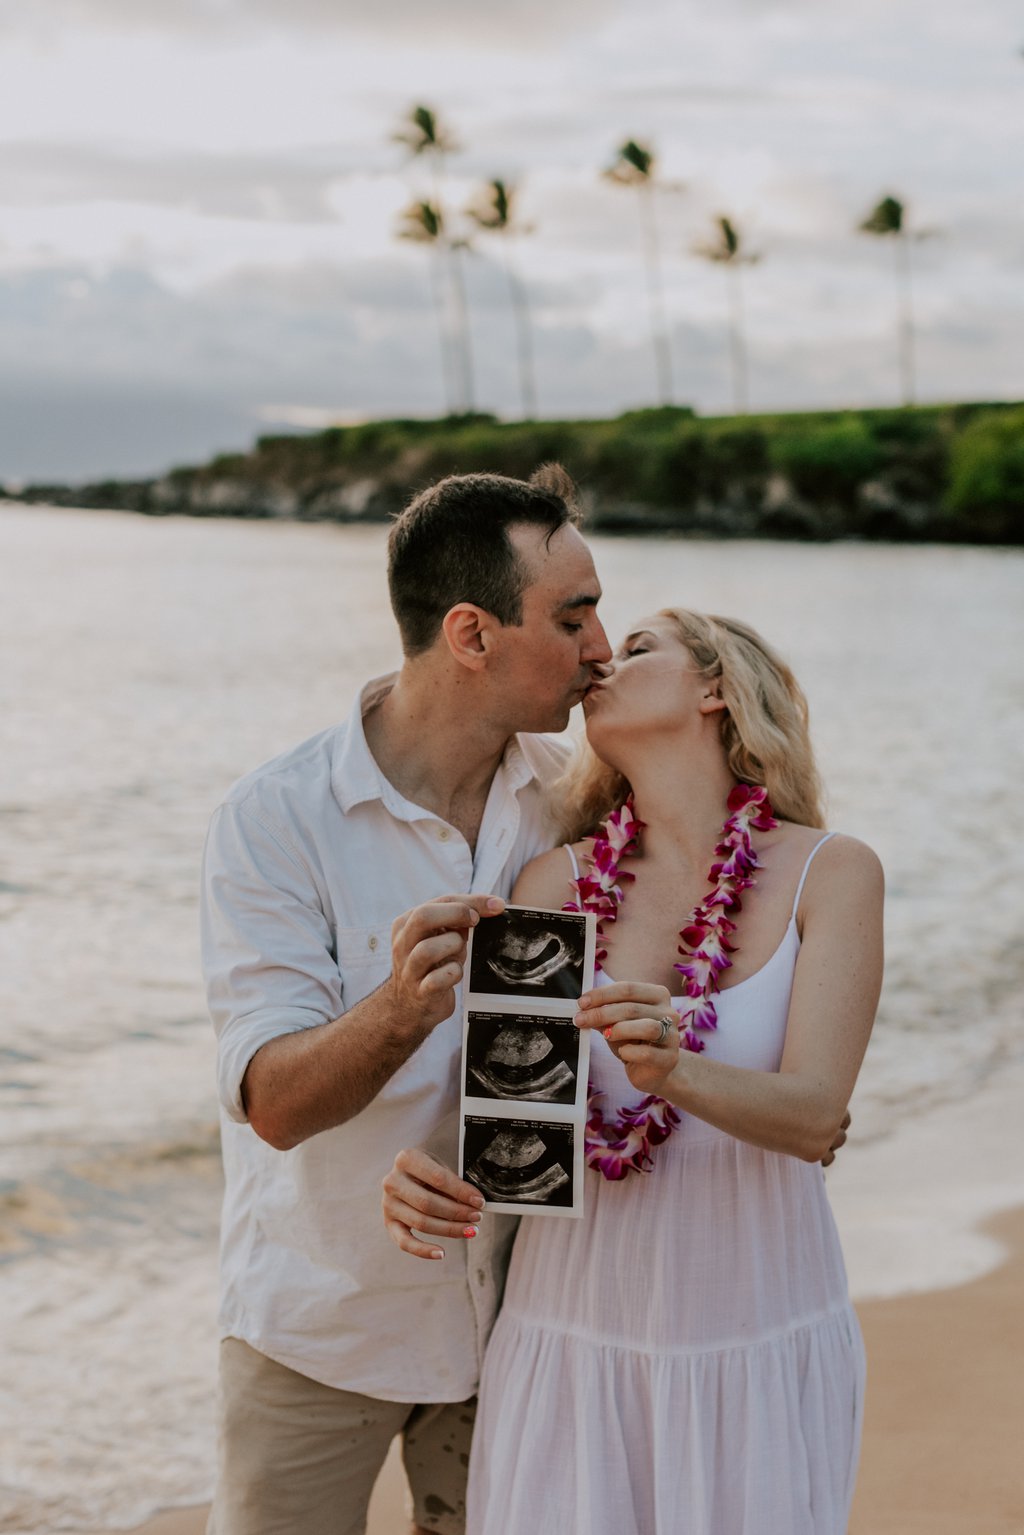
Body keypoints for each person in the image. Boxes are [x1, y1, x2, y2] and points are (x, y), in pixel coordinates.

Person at [383, 608, 882, 1535]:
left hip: (754, 1334)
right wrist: (434, 1179)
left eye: (641, 646)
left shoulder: (832, 872)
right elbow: (512, 1141)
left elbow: (816, 1118)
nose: (604, 656)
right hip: (573, 1332)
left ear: (716, 688)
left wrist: (674, 1070)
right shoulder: (549, 885)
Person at [199, 465, 613, 1535]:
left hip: (520, 1323)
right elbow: (273, 1104)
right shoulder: (275, 819)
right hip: (319, 1323)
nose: (601, 648)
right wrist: (397, 1007)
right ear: (470, 633)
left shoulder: (573, 805)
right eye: (573, 617)